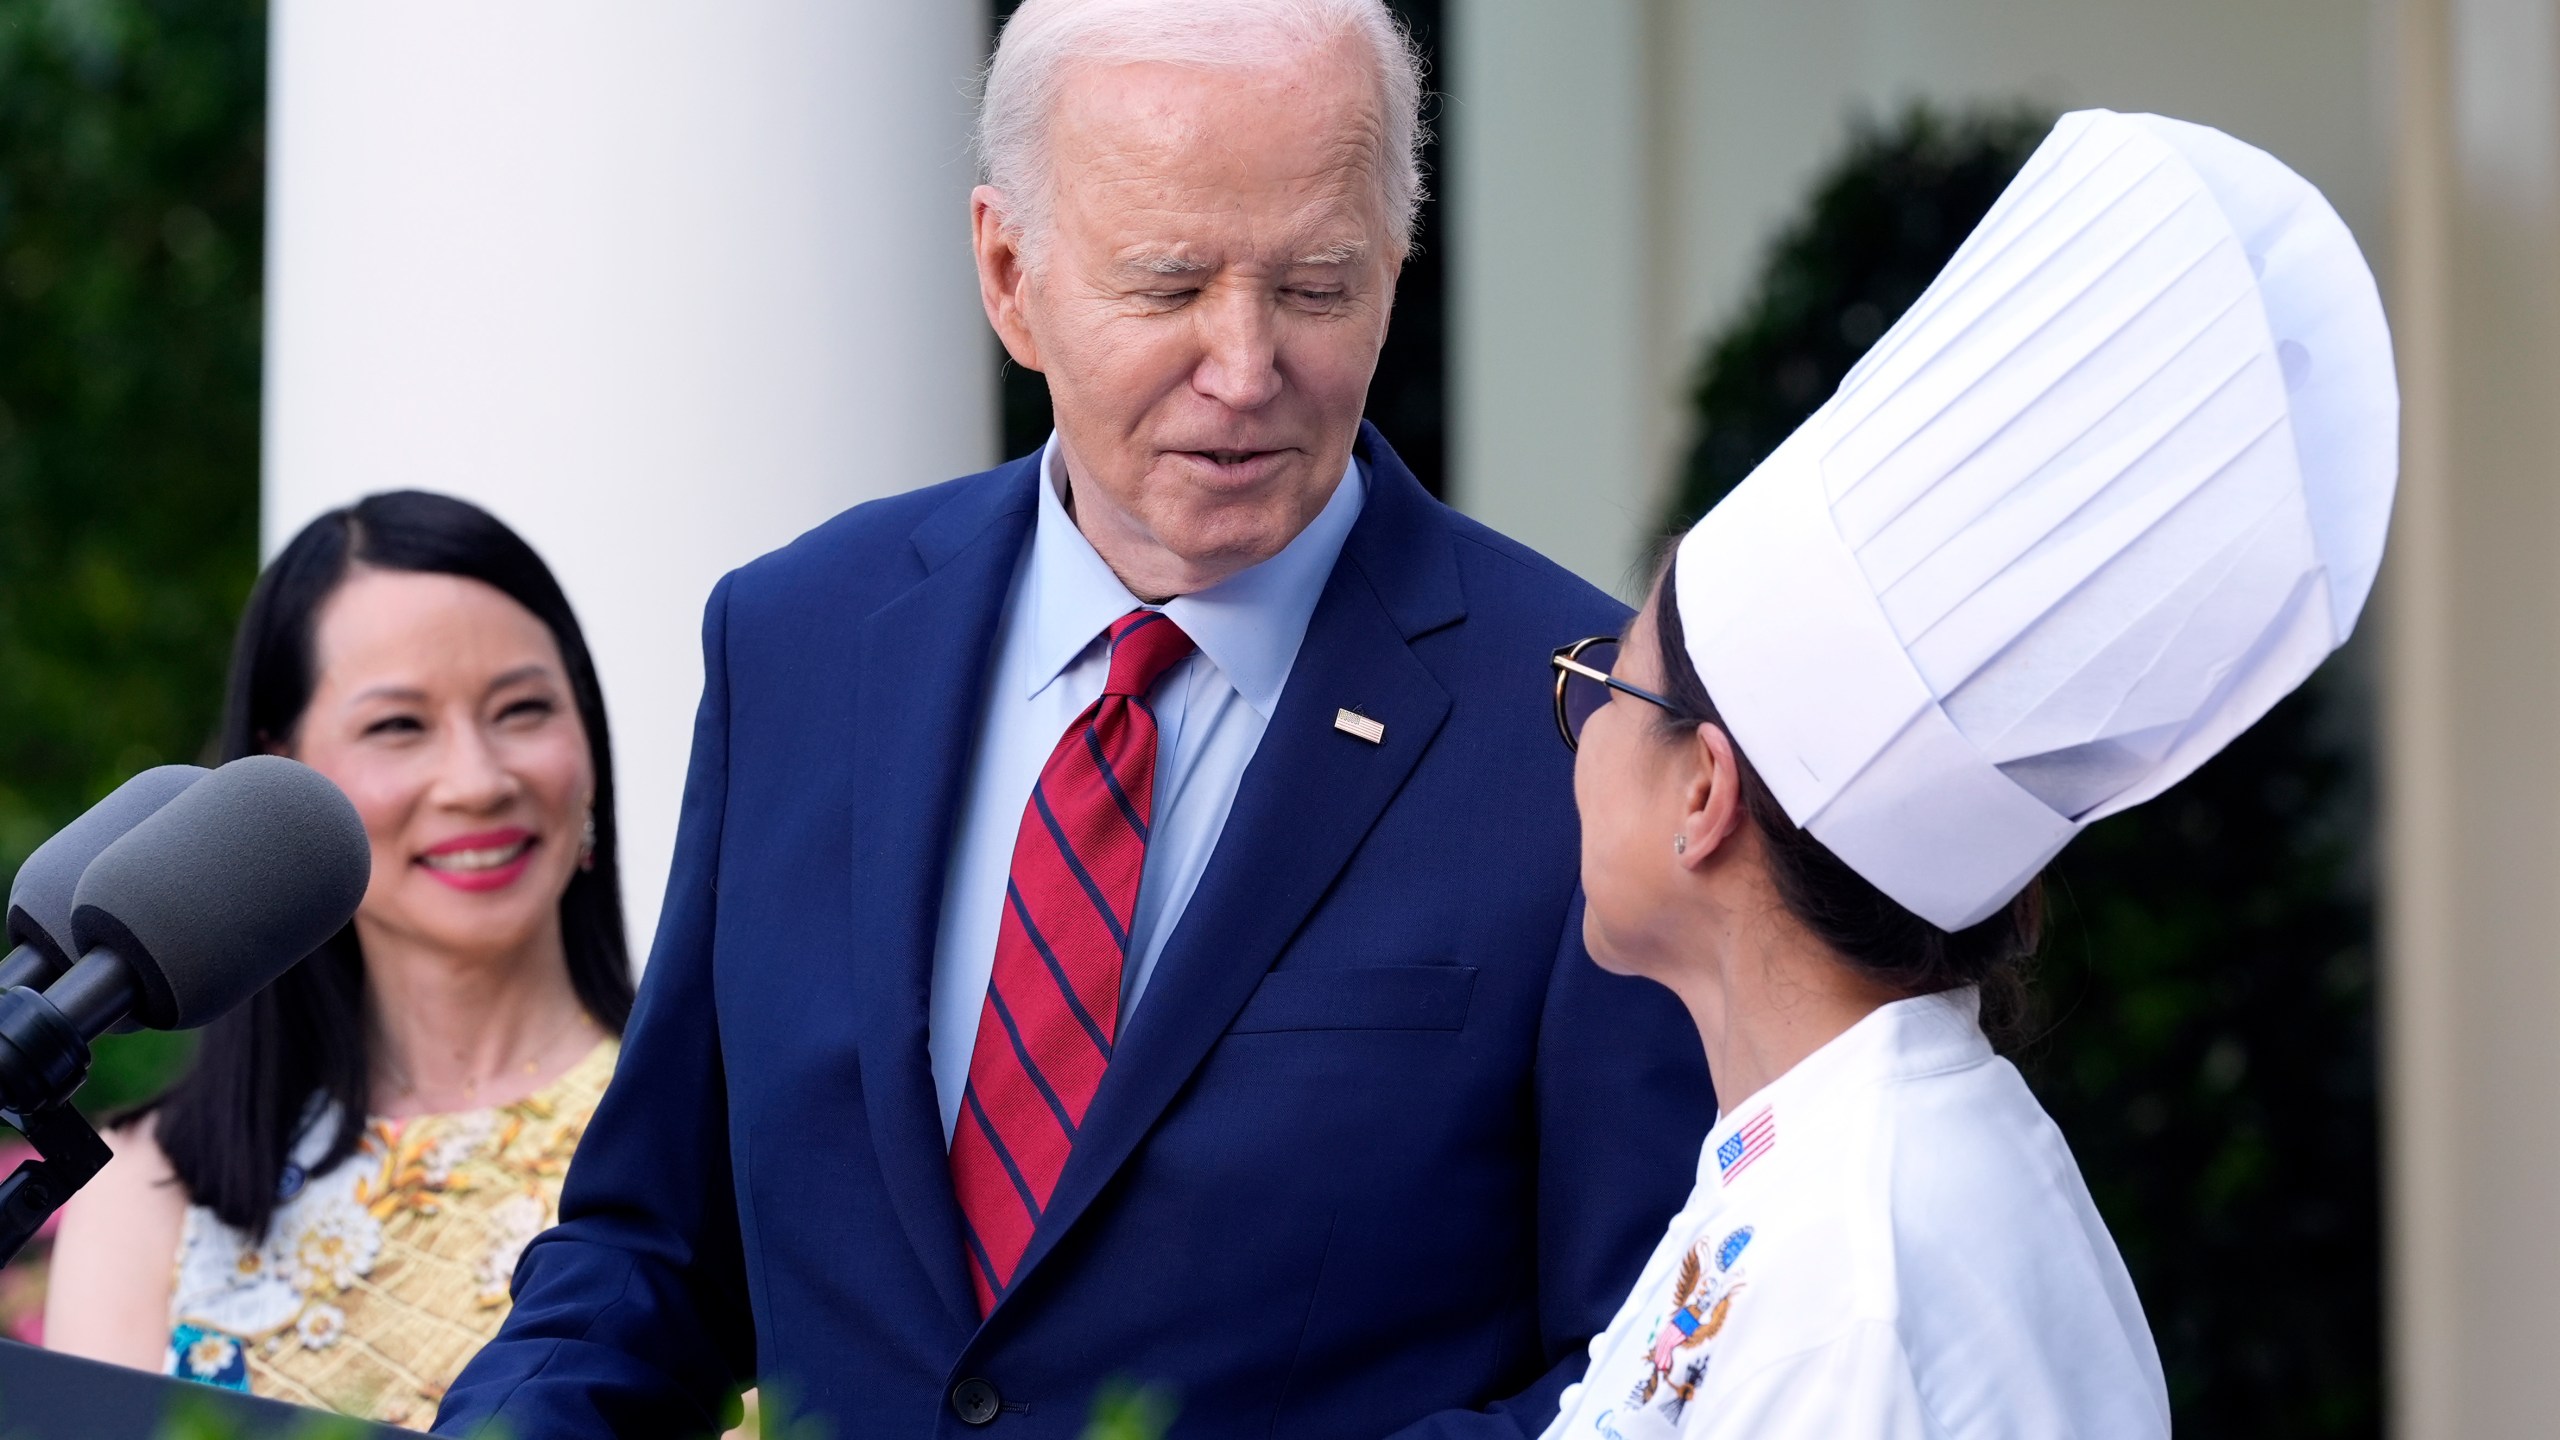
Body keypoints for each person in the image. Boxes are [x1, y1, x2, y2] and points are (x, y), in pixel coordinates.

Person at [435, 1, 1712, 1435]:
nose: (1243, 366)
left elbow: (1650, 1373)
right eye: (1168, 287)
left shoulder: (1588, 722)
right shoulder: (799, 640)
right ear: (1007, 272)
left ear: (1394, 272)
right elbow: (652, 1255)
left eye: (1315, 287)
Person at [1541, 109, 2396, 1437]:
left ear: (1706, 793)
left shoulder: (1863, 1267)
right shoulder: (1826, 1158)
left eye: (1607, 682)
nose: (1579, 728)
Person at [45, 491, 636, 1430]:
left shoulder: (708, 1125)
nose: (478, 780)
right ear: (279, 774)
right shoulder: (152, 1183)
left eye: (523, 710)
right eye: (399, 726)